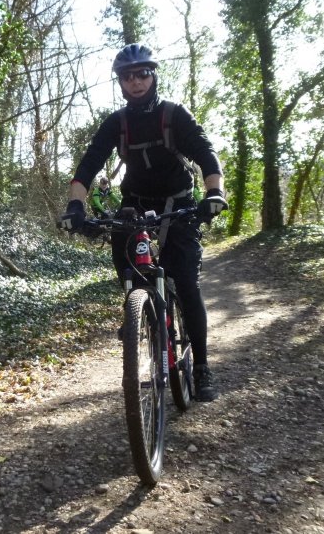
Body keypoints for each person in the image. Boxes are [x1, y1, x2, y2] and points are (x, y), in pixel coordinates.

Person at [59, 43, 228, 402]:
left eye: (142, 74)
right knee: (124, 252)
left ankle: (200, 366)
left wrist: (213, 194)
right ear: (120, 83)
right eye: (127, 76)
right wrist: (76, 205)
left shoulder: (173, 114)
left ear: (153, 76)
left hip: (178, 204)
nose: (135, 82)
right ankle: (137, 310)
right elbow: (88, 164)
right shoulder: (116, 123)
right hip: (135, 204)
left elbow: (205, 154)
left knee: (186, 283)